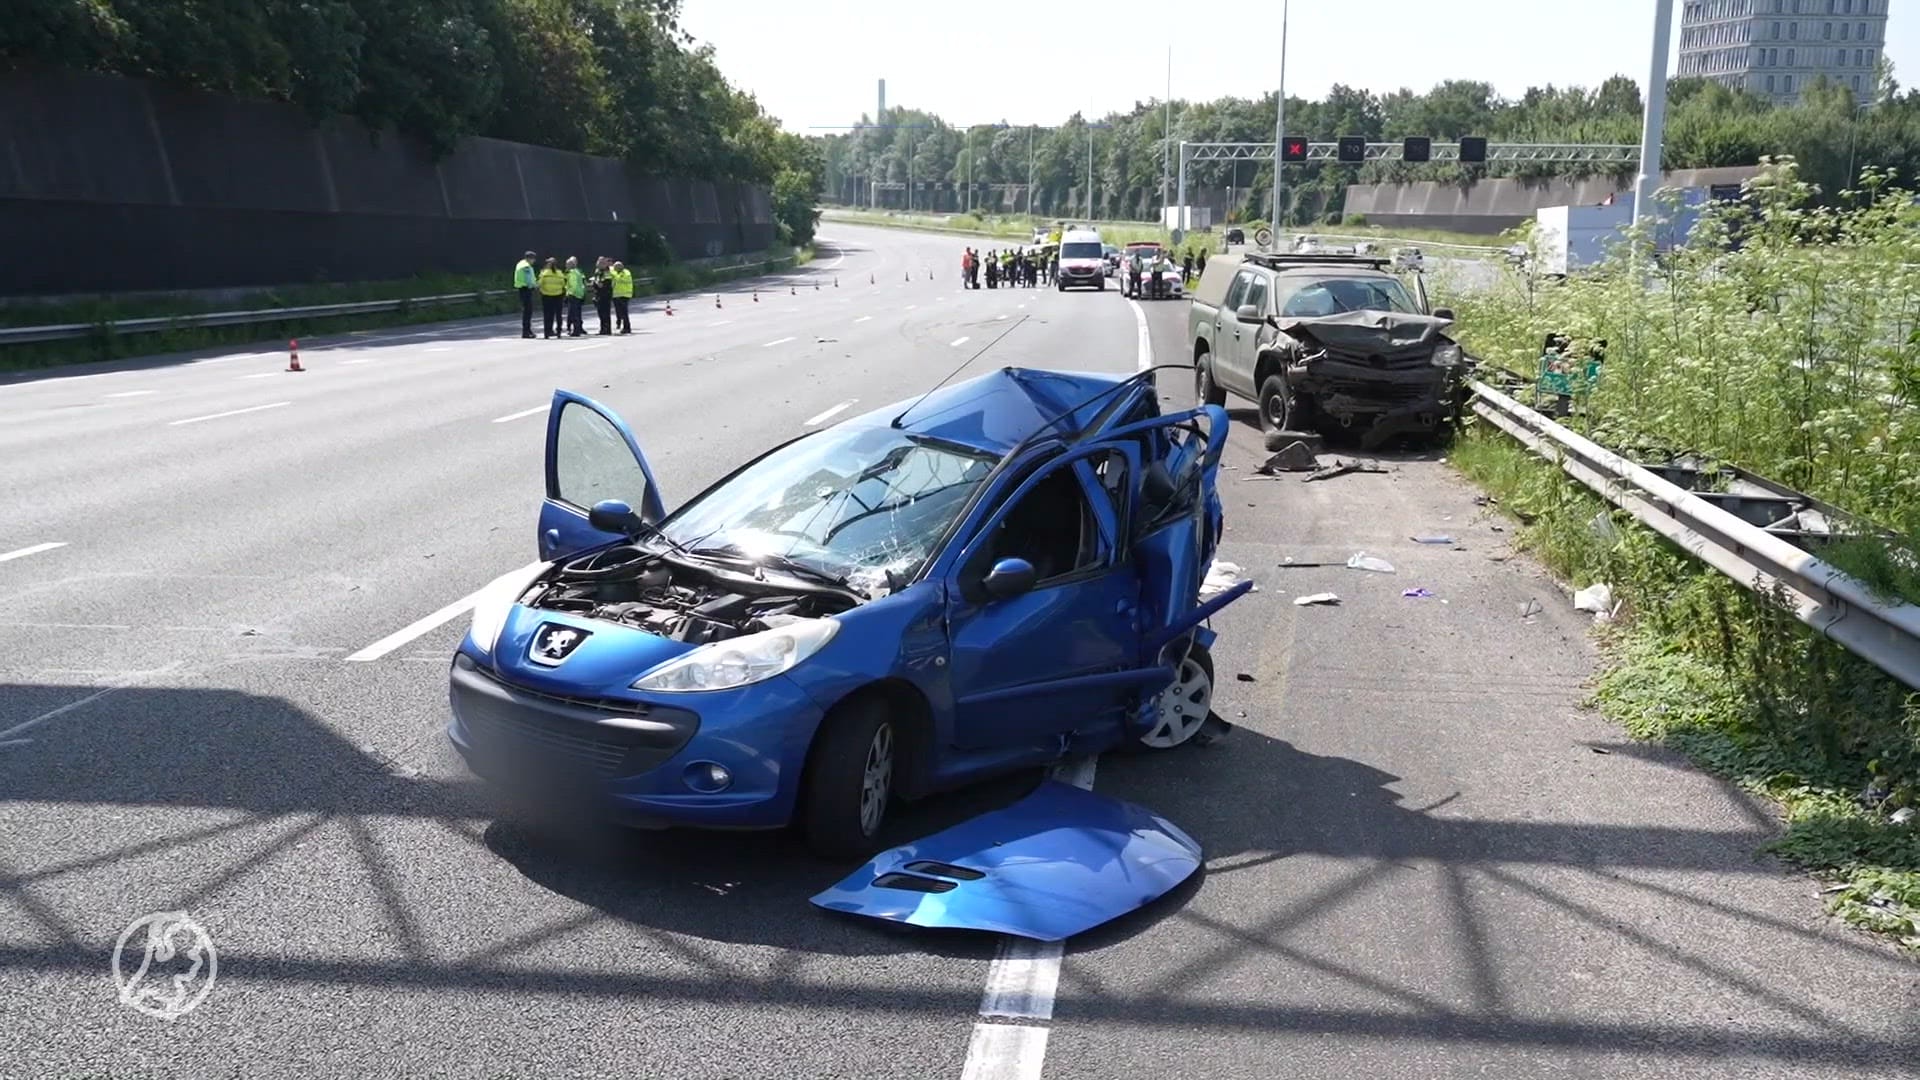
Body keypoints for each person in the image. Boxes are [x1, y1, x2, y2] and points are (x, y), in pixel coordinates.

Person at [536, 257, 566, 338]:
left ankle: (547, 332)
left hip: (546, 295)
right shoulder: (560, 273)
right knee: (558, 314)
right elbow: (563, 284)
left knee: (547, 315)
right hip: (558, 295)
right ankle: (559, 332)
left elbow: (539, 284)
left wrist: (542, 290)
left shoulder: (544, 273)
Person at [513, 250, 536, 338]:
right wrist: (533, 286)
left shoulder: (520, 264)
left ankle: (528, 330)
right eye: (533, 259)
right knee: (528, 311)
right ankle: (526, 331)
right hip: (526, 289)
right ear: (529, 258)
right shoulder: (526, 266)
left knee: (527, 310)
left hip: (522, 289)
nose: (534, 261)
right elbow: (528, 279)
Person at [564, 256, 586, 337]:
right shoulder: (577, 272)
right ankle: (577, 329)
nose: (566, 266)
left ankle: (576, 331)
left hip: (574, 294)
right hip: (579, 294)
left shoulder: (572, 273)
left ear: (571, 265)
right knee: (576, 313)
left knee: (573, 314)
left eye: (567, 264)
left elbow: (573, 285)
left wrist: (570, 293)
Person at [610, 260, 634, 333]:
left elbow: (619, 279)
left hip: (624, 295)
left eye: (615, 268)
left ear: (620, 267)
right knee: (619, 312)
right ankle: (621, 324)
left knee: (624, 313)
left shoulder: (626, 273)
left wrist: (613, 275)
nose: (614, 269)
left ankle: (627, 327)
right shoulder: (616, 272)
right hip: (617, 295)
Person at [592, 256, 613, 334]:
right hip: (598, 294)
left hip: (605, 294)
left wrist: (598, 284)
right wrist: (595, 283)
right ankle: (602, 328)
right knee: (600, 313)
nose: (599, 264)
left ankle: (607, 329)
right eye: (599, 262)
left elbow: (606, 284)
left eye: (602, 263)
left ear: (605, 264)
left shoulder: (607, 272)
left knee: (605, 313)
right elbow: (596, 282)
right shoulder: (597, 271)